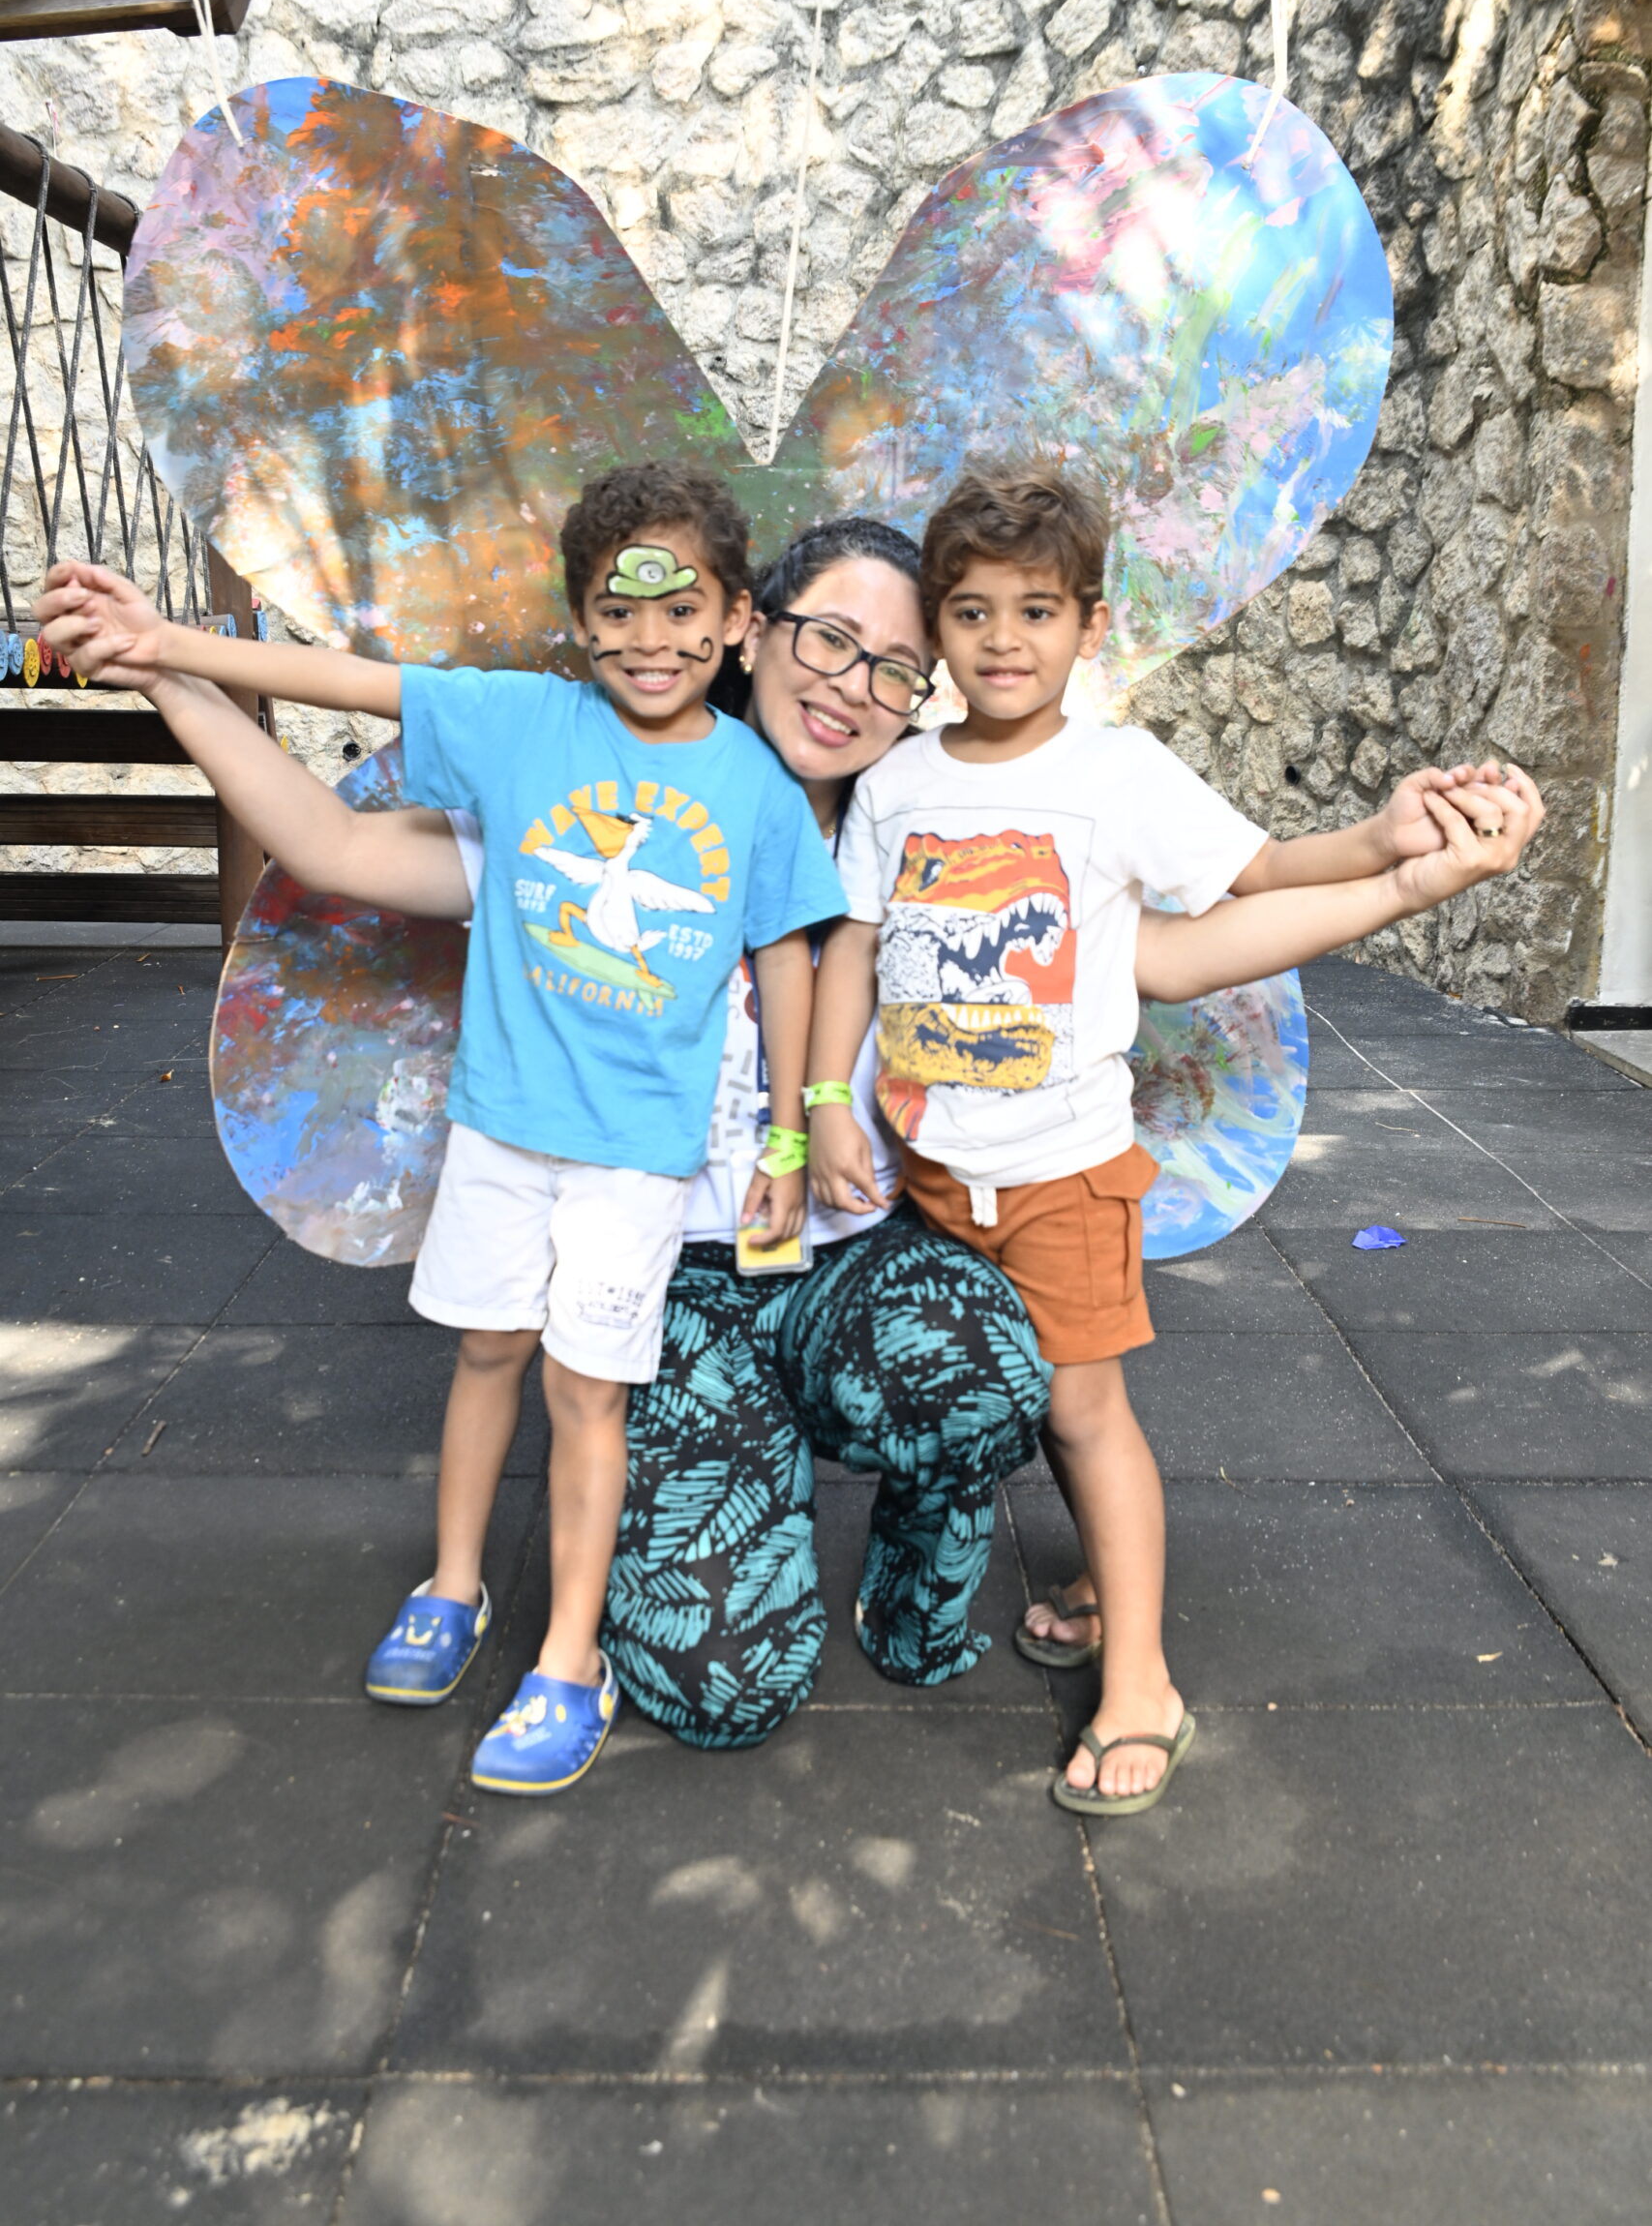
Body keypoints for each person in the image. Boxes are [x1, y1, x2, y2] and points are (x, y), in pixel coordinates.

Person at [43, 510, 1521, 1761]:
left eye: (896, 666)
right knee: (720, 1690)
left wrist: (1396, 872)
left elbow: (1175, 950)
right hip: (672, 1276)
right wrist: (169, 672)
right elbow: (328, 842)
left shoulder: (924, 836)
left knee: (992, 1366)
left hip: (843, 1263)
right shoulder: (602, 806)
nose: (854, 684)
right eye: (828, 638)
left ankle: (918, 1556)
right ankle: (715, 1496)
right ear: (754, 632)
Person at [48, 463, 844, 1796]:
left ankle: (569, 1659)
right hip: (500, 1133)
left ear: (736, 622)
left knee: (588, 1393)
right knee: (486, 1352)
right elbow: (350, 683)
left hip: (637, 1159)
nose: (651, 640)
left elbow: (786, 955)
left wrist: (789, 1138)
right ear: (578, 620)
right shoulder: (527, 723)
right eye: (618, 610)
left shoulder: (756, 789)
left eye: (681, 610)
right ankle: (455, 1585)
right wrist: (165, 651)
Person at [807, 460, 1545, 1816]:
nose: (1004, 640)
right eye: (972, 611)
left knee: (1083, 1413)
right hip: (932, 1176)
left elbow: (1255, 872)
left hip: (1063, 1177)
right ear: (939, 628)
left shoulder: (1118, 773)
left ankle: (1141, 1680)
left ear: (1090, 625)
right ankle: (1104, 1578)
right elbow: (855, 944)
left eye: (1038, 610)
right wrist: (817, 1108)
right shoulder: (899, 781)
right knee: (1020, 1397)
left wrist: (1390, 844)